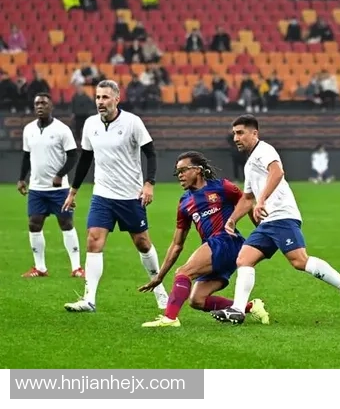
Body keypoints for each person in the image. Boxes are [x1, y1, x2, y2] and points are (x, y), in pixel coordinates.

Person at [211, 114, 340, 325]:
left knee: (299, 261)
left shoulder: (264, 150)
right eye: (234, 134)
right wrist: (233, 219)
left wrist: (262, 200)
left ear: (254, 133)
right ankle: (237, 309)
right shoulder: (249, 163)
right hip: (268, 221)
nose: (236, 138)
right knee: (244, 259)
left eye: (240, 133)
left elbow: (277, 172)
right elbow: (247, 198)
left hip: (282, 215)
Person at [61, 79, 169, 312]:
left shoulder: (132, 122)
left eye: (105, 97)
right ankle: (89, 299)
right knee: (93, 240)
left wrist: (149, 184)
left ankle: (159, 288)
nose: (100, 102)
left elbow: (150, 153)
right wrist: (73, 191)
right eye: (98, 97)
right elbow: (86, 159)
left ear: (117, 99)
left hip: (130, 196)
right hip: (102, 195)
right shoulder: (90, 124)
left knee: (142, 243)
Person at [139, 151, 270, 327]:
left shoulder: (222, 187)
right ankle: (250, 307)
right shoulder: (184, 202)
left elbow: (246, 203)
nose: (180, 176)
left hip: (226, 241)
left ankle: (170, 318)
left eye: (183, 170)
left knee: (184, 272)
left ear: (198, 170)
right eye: (177, 172)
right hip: (215, 248)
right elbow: (177, 244)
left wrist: (262, 232)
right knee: (197, 300)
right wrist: (159, 276)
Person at [18, 93, 83, 278]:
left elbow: (73, 156)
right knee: (34, 224)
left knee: (66, 223)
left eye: (43, 103)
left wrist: (60, 175)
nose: (40, 106)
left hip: (59, 189)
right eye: (37, 103)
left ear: (51, 106)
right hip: (37, 188)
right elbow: (26, 156)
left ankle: (77, 268)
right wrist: (21, 178)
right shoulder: (28, 129)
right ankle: (40, 268)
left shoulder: (62, 130)